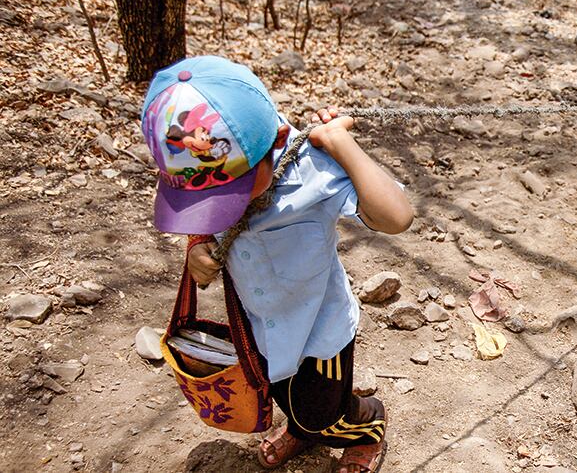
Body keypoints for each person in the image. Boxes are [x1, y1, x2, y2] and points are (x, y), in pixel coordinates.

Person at [141, 56, 412, 472]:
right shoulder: (202, 167)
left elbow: (396, 218)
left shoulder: (312, 167)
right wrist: (197, 244)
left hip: (319, 332)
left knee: (321, 411)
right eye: (209, 198)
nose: (223, 206)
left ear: (278, 138)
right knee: (284, 396)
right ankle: (304, 430)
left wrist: (341, 143)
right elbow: (205, 222)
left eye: (237, 188)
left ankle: (367, 422)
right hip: (260, 326)